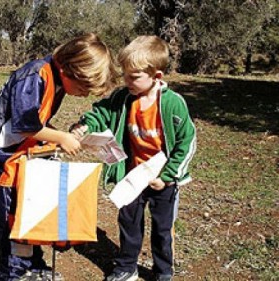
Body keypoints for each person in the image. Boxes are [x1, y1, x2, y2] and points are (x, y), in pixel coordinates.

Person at [0, 33, 117, 281]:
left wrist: (65, 136)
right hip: (4, 154)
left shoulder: (56, 79)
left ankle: (31, 263)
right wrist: (61, 138)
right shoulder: (36, 76)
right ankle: (12, 272)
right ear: (69, 69)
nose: (84, 94)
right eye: (83, 88)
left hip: (24, 150)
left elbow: (39, 120)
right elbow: (24, 124)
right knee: (14, 213)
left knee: (32, 205)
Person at [71, 35, 196, 281]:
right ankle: (126, 267)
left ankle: (163, 271)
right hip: (131, 174)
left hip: (163, 179)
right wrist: (85, 126)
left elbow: (187, 141)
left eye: (134, 77)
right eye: (125, 74)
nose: (127, 81)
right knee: (128, 223)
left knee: (162, 229)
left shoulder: (173, 104)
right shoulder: (123, 98)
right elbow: (102, 112)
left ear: (157, 76)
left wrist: (168, 176)